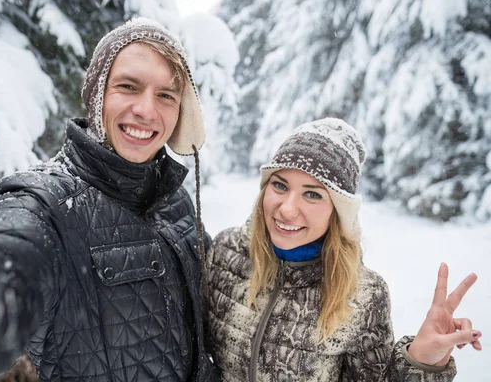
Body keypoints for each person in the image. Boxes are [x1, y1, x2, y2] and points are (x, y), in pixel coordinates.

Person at [0, 18, 216, 382]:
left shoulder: (176, 200)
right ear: (96, 95)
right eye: (128, 86)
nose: (146, 110)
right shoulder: (44, 204)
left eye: (166, 95)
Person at [205, 118, 482, 381]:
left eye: (312, 194)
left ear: (338, 211)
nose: (287, 209)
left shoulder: (362, 295)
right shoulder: (226, 253)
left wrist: (422, 362)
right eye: (279, 185)